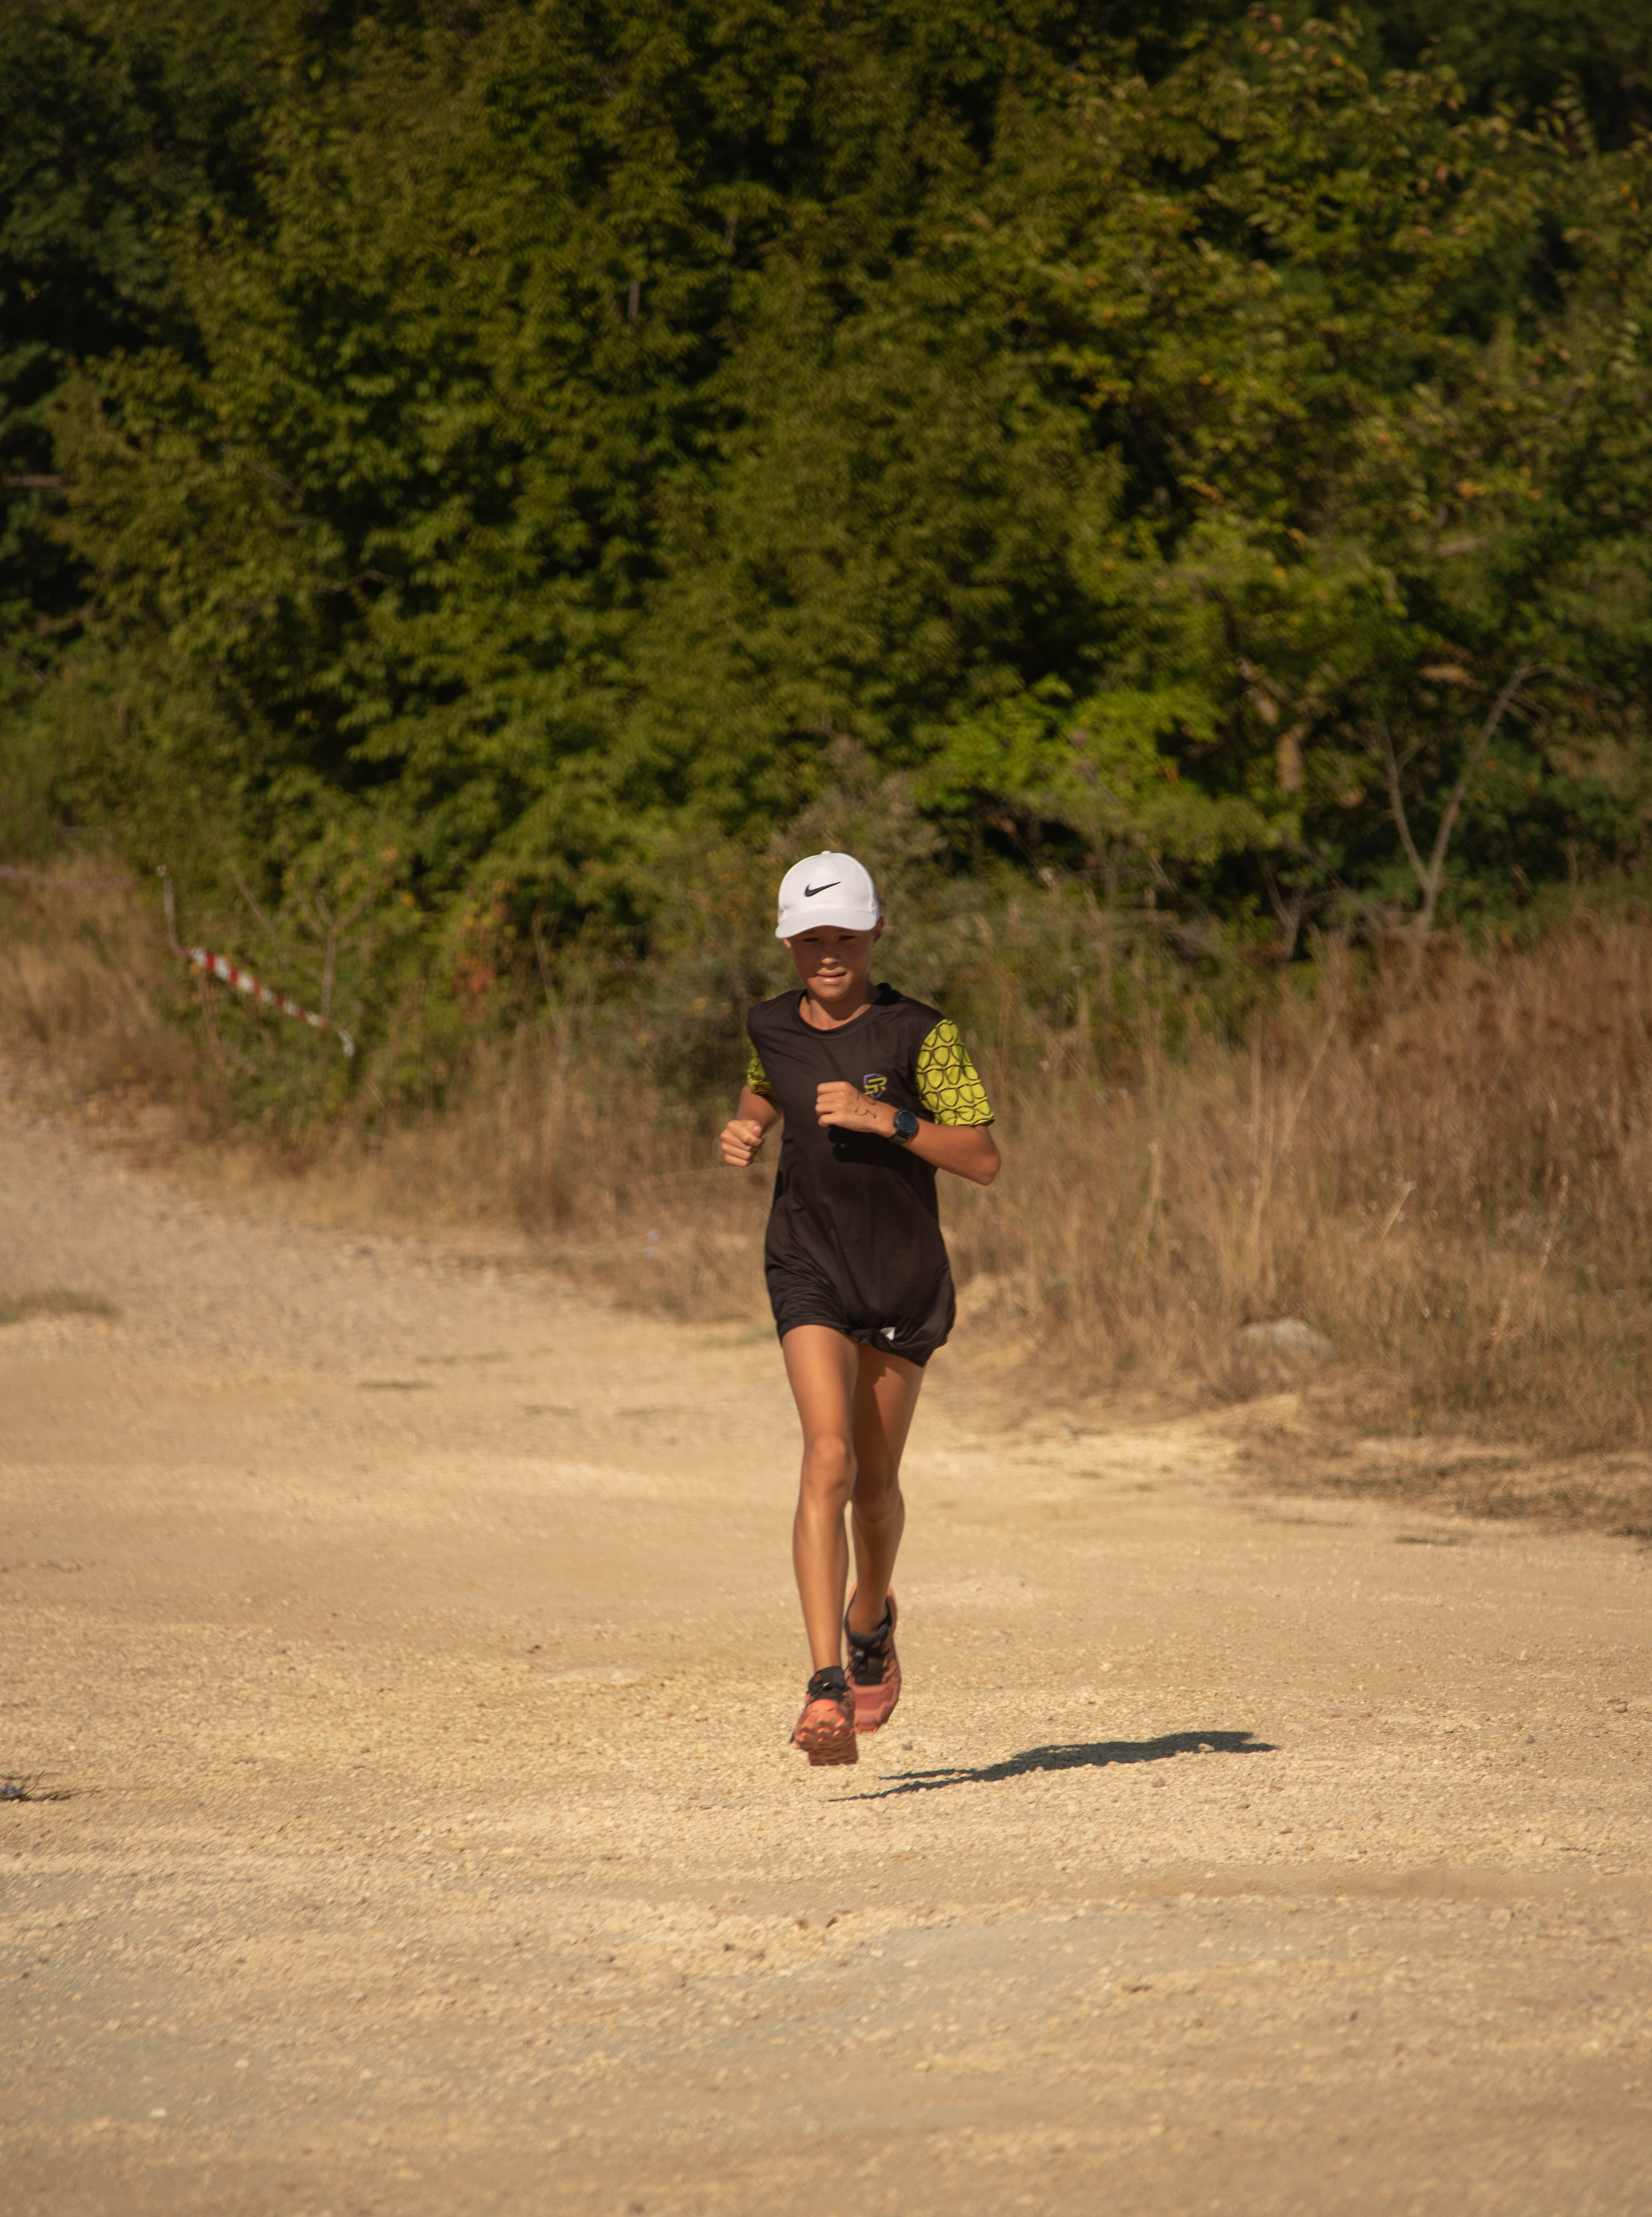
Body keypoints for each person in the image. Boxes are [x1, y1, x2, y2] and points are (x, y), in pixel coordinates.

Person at [718, 852, 1001, 1766]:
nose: (825, 954)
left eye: (842, 937)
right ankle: (824, 1682)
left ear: (877, 934)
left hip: (904, 1278)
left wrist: (893, 1124)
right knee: (828, 1457)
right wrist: (751, 1125)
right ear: (789, 945)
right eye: (808, 940)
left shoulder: (923, 1036)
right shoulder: (770, 1024)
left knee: (875, 1489)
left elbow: (984, 1158)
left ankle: (869, 1620)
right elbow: (769, 1079)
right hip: (809, 1265)